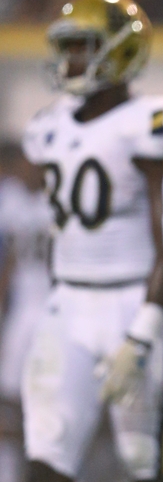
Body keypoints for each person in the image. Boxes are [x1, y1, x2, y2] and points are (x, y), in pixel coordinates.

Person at [20, 0, 163, 482]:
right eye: (68, 47)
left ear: (122, 52)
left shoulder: (147, 124)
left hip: (133, 301)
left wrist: (149, 321)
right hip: (68, 302)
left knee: (144, 461)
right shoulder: (48, 126)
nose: (70, 60)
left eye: (83, 46)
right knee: (45, 455)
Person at [0, 142, 52, 482]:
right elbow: (9, 267)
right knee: (8, 406)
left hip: (55, 313)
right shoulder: (14, 201)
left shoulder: (58, 202)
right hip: (24, 314)